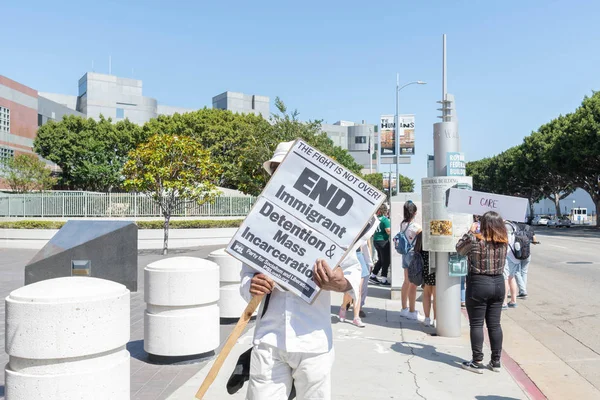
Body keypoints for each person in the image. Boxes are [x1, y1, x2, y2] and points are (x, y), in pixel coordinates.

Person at [240, 141, 365, 400]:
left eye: (286, 169)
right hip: (268, 339)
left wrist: (335, 282)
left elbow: (352, 275)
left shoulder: (331, 224)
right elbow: (245, 278)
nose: (279, 175)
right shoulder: (260, 220)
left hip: (313, 341)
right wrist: (252, 286)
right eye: (275, 170)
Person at [456, 211, 508, 374]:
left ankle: (477, 361)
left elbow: (459, 250)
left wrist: (470, 231)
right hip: (498, 282)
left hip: (479, 282)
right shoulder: (504, 241)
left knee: (477, 323)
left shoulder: (475, 240)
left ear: (483, 224)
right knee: (495, 324)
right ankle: (496, 361)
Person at [339, 222, 376, 327]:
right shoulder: (347, 230)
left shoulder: (364, 232)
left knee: (358, 291)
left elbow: (366, 247)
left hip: (360, 258)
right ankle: (343, 306)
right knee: (349, 289)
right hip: (349, 259)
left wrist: (369, 263)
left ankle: (356, 317)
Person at [399, 201, 422, 320]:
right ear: (414, 212)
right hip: (413, 255)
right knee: (413, 284)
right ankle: (412, 311)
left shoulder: (403, 224)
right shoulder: (416, 227)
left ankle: (404, 308)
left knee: (406, 282)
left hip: (405, 254)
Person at [414, 232, 436, 327]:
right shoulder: (437, 234)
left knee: (426, 293)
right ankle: (436, 319)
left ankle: (427, 318)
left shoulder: (422, 234)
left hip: (425, 265)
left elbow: (417, 250)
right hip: (437, 264)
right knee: (436, 295)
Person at [369, 205, 392, 285]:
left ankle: (373, 275)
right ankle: (384, 279)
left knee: (381, 259)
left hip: (376, 240)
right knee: (386, 260)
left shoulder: (375, 219)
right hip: (383, 241)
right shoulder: (385, 220)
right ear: (385, 211)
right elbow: (388, 231)